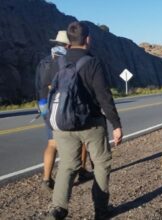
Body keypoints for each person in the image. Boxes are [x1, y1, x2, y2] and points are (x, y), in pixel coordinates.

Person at [46, 22, 123, 220]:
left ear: (69, 41)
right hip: (92, 124)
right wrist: (116, 124)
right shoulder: (93, 63)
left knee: (67, 166)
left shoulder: (57, 62)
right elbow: (104, 97)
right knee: (101, 163)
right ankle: (100, 210)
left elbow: (50, 89)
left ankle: (58, 209)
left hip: (63, 124)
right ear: (87, 39)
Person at [35, 31, 92, 192]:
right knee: (81, 140)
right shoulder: (68, 60)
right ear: (68, 45)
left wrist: (41, 105)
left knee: (52, 143)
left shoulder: (45, 61)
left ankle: (47, 179)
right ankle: (81, 170)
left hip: (46, 104)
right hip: (66, 105)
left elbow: (39, 84)